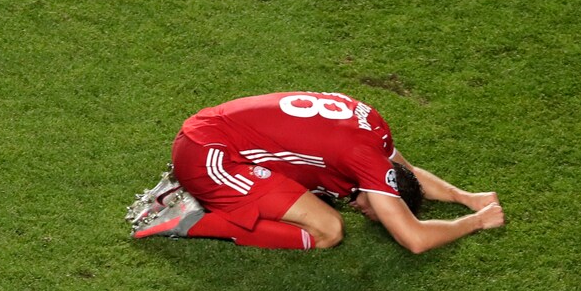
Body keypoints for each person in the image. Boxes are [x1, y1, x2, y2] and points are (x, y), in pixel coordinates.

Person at [129, 91, 505, 252]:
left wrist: (465, 197)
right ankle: (189, 216)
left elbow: (407, 172)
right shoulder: (366, 162)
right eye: (377, 213)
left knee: (316, 196)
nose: (363, 211)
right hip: (208, 157)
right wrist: (475, 221)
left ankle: (203, 193)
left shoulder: (374, 129)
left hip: (210, 133)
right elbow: (415, 239)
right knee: (327, 230)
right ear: (382, 195)